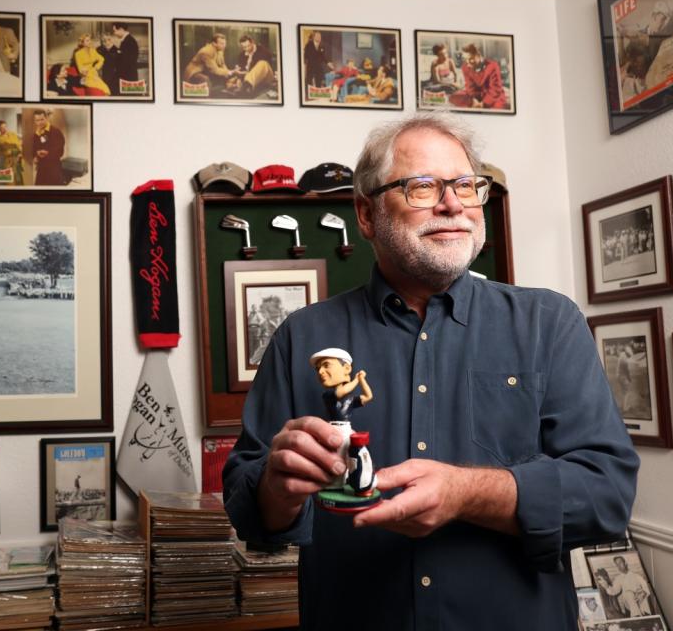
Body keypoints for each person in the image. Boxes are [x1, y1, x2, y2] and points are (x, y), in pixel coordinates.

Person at [222, 112, 639, 630]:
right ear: (367, 215)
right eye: (422, 186)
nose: (452, 203)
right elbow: (248, 511)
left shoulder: (549, 323)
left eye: (466, 185)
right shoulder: (300, 337)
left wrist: (469, 493)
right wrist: (277, 491)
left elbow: (607, 496)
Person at [450, 43, 508, 109]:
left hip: (492, 96)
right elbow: (470, 87)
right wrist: (474, 100)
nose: (468, 62)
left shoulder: (493, 66)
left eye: (471, 59)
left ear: (478, 55)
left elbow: (495, 90)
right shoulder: (465, 67)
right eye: (465, 59)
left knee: (498, 107)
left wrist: (484, 103)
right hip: (476, 95)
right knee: (454, 97)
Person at [31, 109, 65, 186]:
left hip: (53, 168)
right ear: (35, 121)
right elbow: (34, 148)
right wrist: (36, 155)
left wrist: (47, 153)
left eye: (42, 119)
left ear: (46, 118)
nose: (39, 122)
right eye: (37, 120)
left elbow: (60, 151)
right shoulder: (36, 133)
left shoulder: (56, 131)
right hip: (42, 168)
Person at [111, 22, 140, 94]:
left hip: (128, 77)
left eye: (115, 31)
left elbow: (126, 60)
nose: (114, 33)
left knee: (128, 97)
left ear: (121, 29)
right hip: (127, 76)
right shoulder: (127, 40)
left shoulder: (129, 41)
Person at [0, 119, 24, 185]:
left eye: (5, 127)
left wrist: (18, 153)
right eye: (2, 128)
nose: (4, 129)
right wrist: (7, 152)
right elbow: (1, 151)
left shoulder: (12, 134)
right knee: (9, 180)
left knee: (18, 179)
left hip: (17, 159)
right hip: (7, 161)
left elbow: (19, 146)